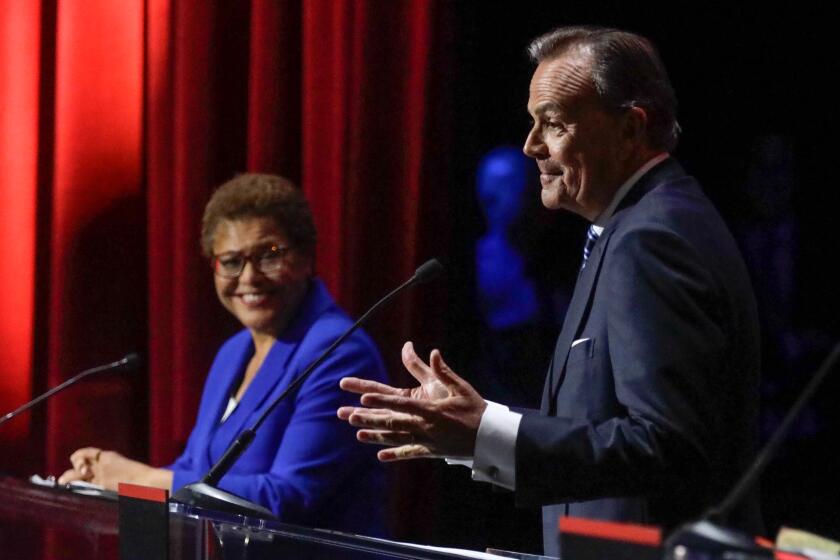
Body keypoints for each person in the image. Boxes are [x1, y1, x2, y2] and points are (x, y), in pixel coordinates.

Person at [338, 26, 762, 556]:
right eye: (532, 122)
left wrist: (486, 432)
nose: (531, 145)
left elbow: (667, 446)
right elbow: (601, 426)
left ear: (631, 128)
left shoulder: (653, 238)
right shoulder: (630, 226)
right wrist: (472, 430)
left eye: (554, 124)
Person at [59, 173, 387, 535]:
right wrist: (102, 484)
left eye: (269, 255)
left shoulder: (339, 352)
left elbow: (288, 498)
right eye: (230, 261)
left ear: (307, 256)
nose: (248, 277)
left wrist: (137, 478)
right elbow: (196, 467)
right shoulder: (233, 353)